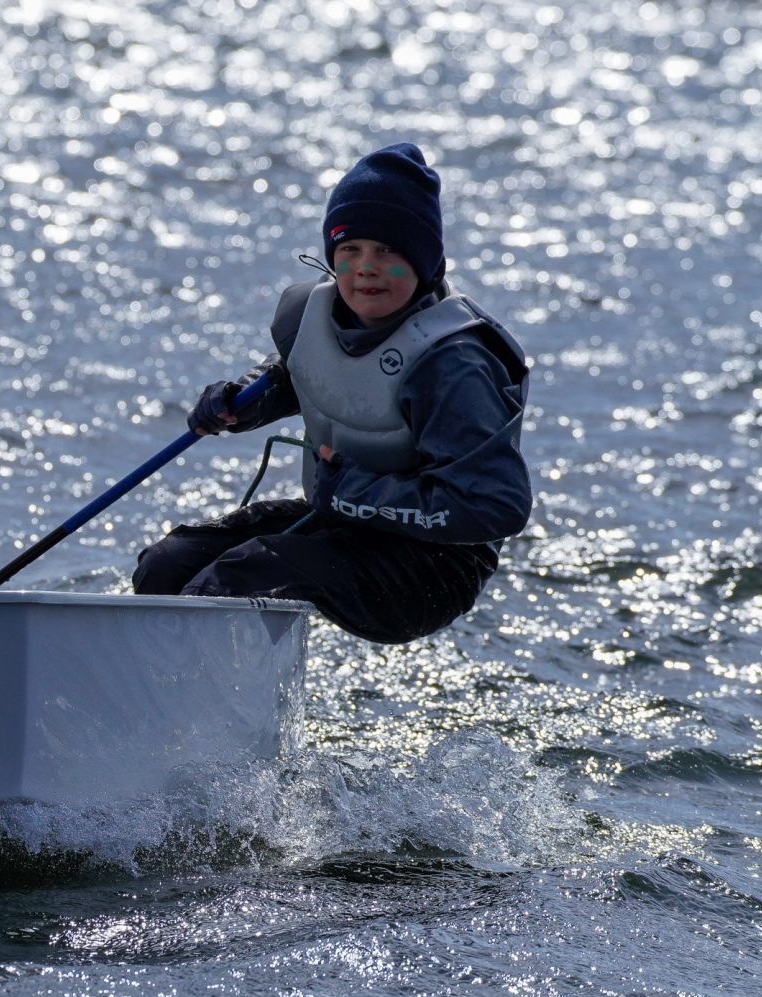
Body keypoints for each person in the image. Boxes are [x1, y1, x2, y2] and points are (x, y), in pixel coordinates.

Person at [133, 143, 532, 644]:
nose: (366, 267)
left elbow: (496, 506)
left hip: (433, 567)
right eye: (350, 249)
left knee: (235, 577)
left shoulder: (454, 365)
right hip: (339, 522)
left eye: (388, 251)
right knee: (167, 565)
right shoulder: (310, 316)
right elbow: (308, 376)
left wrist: (356, 493)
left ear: (425, 261)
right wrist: (240, 401)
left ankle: (197, 689)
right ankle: (144, 681)